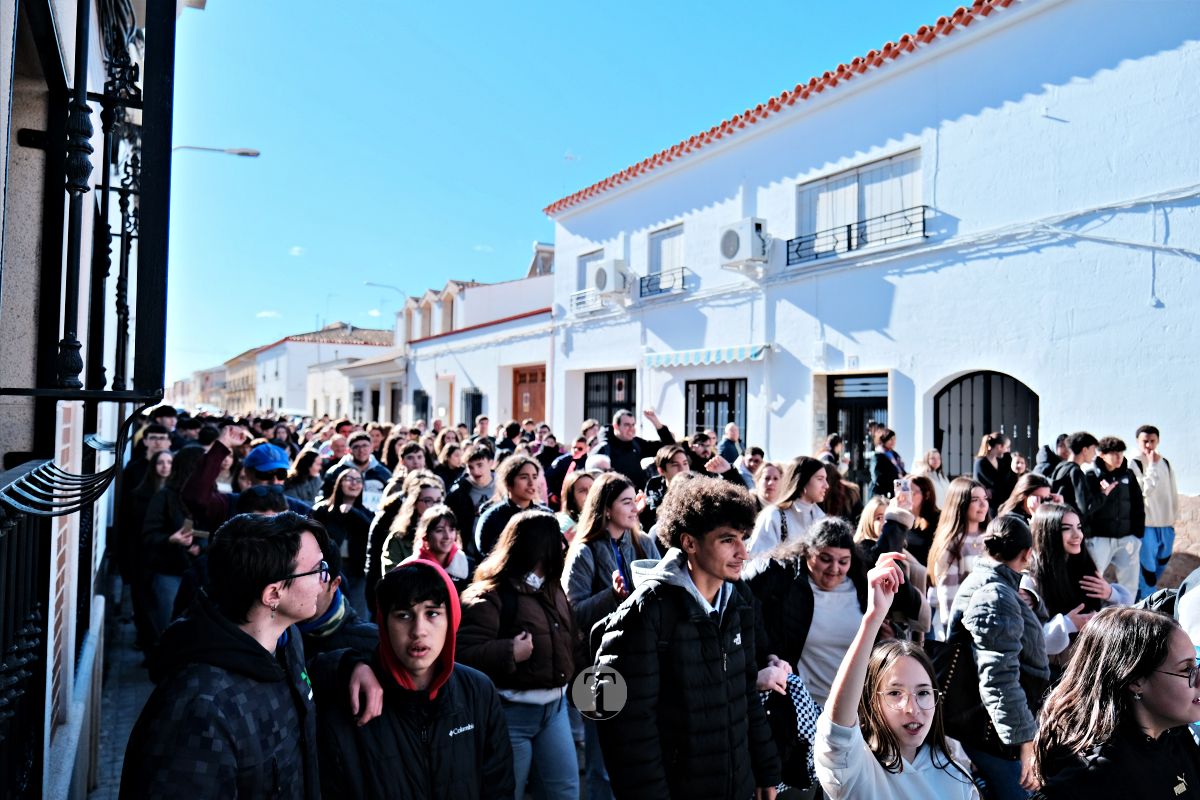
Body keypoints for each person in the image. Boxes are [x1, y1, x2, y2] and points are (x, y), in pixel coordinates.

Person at [122, 512, 381, 799]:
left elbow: (288, 685)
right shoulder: (199, 711)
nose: (326, 579)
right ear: (273, 594)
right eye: (317, 568)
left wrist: (345, 666)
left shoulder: (284, 639)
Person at [593, 476, 781, 799]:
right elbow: (628, 731)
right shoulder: (647, 612)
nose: (742, 553)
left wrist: (765, 771)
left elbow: (745, 694)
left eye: (742, 538)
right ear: (690, 543)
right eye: (727, 540)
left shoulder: (738, 603)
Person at [313, 559, 515, 799]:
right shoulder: (354, 699)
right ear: (384, 623)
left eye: (432, 613)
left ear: (451, 619)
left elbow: (498, 787)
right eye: (403, 615)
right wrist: (345, 666)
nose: (419, 630)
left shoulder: (478, 691)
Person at [816, 553, 977, 799]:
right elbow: (836, 729)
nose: (912, 708)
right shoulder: (854, 768)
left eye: (923, 692)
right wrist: (873, 618)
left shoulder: (957, 777)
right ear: (872, 701)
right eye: (894, 693)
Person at [457, 511, 581, 800]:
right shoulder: (489, 595)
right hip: (510, 715)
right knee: (506, 793)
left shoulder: (553, 587)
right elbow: (463, 654)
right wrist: (509, 652)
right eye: (556, 540)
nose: (563, 546)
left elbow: (570, 639)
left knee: (564, 791)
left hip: (555, 711)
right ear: (538, 547)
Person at [562, 471, 662, 800]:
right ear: (606, 509)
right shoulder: (585, 551)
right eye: (626, 502)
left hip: (641, 659)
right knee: (600, 762)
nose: (635, 508)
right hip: (597, 666)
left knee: (640, 752)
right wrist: (612, 595)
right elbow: (574, 612)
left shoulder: (644, 542)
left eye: (635, 500)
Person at [1032, 607, 1200, 798]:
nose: (1198, 677)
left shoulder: (1173, 733)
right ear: (1136, 680)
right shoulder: (1098, 772)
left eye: (1196, 664)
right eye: (1186, 669)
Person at [950, 514, 1051, 800]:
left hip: (996, 729)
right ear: (1027, 554)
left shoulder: (994, 583)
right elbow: (998, 677)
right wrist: (1025, 742)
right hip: (995, 734)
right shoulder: (993, 593)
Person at [1021, 503, 1131, 668]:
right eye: (1067, 528)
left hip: (1091, 663)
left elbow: (1125, 612)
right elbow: (1029, 640)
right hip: (1054, 673)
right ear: (1048, 532)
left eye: (1079, 527)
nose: (1077, 535)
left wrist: (1111, 593)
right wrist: (1067, 624)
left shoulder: (1084, 568)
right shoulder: (1030, 581)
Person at [141, 447, 207, 641]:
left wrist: (201, 545)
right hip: (169, 572)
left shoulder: (209, 496)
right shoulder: (164, 496)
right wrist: (171, 539)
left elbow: (217, 530)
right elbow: (148, 535)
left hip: (201, 572)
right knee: (169, 631)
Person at [297, 529, 378, 662]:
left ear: (335, 584)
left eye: (315, 577)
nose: (302, 588)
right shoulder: (278, 635)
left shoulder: (371, 644)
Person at [1084, 436, 1145, 598]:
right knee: (1093, 581)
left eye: (1121, 453)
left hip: (1127, 540)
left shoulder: (1129, 475)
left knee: (1130, 584)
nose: (1119, 457)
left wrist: (1137, 535)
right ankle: (1092, 617)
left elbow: (1138, 505)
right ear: (1102, 455)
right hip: (1099, 540)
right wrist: (1090, 536)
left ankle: (1128, 617)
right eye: (1114, 454)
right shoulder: (1091, 476)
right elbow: (1086, 508)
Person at [928, 478, 989, 636]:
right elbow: (948, 596)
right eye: (975, 500)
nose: (983, 505)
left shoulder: (990, 537)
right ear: (961, 504)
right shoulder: (951, 544)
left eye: (985, 499)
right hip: (964, 630)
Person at [311, 468, 373, 616]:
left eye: (358, 480)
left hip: (357, 571)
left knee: (358, 614)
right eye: (349, 479)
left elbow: (371, 533)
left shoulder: (367, 514)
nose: (354, 484)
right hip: (328, 569)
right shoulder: (322, 510)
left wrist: (354, 513)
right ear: (339, 483)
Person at [1130, 424, 1180, 599]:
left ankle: (1138, 600)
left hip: (1166, 525)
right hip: (1147, 526)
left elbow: (1172, 491)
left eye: (1152, 441)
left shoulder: (1165, 461)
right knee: (1148, 573)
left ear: (1158, 440)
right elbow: (1145, 490)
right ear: (1138, 442)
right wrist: (1151, 465)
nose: (1149, 445)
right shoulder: (1135, 463)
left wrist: (1174, 519)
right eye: (1145, 441)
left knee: (1161, 564)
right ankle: (1146, 611)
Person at [748, 456, 828, 561]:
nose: (826, 485)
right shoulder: (774, 516)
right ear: (802, 481)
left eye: (825, 479)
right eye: (820, 479)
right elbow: (757, 560)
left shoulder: (822, 519)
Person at [474, 455, 552, 557]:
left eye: (534, 477)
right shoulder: (491, 518)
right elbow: (487, 557)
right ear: (508, 482)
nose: (531, 483)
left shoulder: (546, 516)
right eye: (524, 477)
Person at [1049, 432, 1115, 533]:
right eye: (1093, 450)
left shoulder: (1060, 467)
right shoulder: (1076, 472)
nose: (1094, 455)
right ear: (1084, 450)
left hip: (1057, 524)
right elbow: (1086, 507)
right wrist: (1104, 494)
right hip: (1071, 529)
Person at [594, 408, 674, 490]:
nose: (632, 429)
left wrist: (655, 421)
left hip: (637, 498)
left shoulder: (636, 444)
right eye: (627, 425)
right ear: (616, 426)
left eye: (633, 425)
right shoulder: (604, 448)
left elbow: (668, 446)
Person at [446, 444, 496, 560]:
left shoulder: (503, 486)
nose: (476, 471)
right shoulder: (460, 491)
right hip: (470, 552)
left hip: (497, 551)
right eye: (471, 467)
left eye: (479, 465)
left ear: (490, 463)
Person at [412, 504, 476, 594]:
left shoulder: (470, 567)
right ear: (425, 535)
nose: (447, 536)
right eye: (439, 530)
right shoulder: (411, 568)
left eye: (451, 529)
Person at [327, 431, 393, 512]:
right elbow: (325, 498)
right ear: (349, 450)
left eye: (365, 446)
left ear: (372, 448)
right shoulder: (336, 472)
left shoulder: (384, 473)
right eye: (356, 447)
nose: (361, 450)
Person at [639, 444, 691, 529]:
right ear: (661, 470)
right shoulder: (654, 484)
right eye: (675, 465)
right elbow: (653, 516)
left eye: (685, 463)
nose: (683, 469)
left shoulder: (696, 486)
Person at [975, 432, 1015, 514]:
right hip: (989, 506)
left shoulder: (1001, 460)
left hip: (1004, 504)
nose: (1008, 450)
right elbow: (998, 483)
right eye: (1007, 447)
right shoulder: (981, 462)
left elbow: (1010, 481)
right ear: (999, 447)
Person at [905, 475, 940, 566]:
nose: (907, 496)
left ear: (926, 495)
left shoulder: (938, 519)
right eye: (905, 491)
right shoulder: (902, 518)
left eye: (912, 492)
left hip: (927, 574)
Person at [556, 468, 597, 543]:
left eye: (593, 488)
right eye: (582, 490)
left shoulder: (605, 519)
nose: (589, 493)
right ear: (571, 497)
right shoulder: (566, 525)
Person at [868, 428, 906, 498]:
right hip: (882, 494)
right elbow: (877, 478)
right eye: (890, 439)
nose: (893, 441)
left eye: (894, 439)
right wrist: (896, 479)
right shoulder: (878, 456)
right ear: (884, 440)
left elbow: (901, 472)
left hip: (895, 492)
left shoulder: (895, 455)